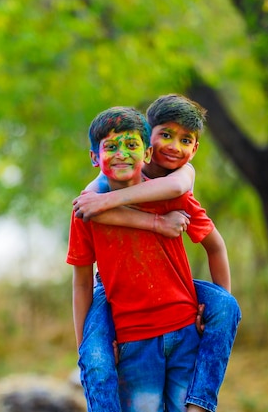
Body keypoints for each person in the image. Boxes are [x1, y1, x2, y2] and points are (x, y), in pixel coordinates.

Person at [72, 94, 240, 412]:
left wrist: (206, 312)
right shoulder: (106, 178)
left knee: (226, 306)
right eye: (166, 135)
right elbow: (87, 207)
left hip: (174, 297)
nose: (174, 146)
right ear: (150, 135)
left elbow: (180, 195)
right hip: (112, 290)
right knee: (95, 359)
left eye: (185, 140)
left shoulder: (180, 179)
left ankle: (200, 402)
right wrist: (155, 222)